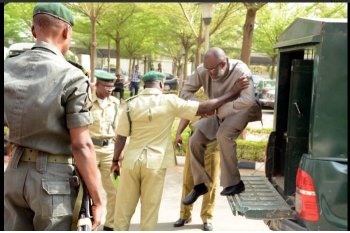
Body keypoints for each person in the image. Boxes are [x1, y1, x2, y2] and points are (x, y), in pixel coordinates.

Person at [4, 3, 102, 231]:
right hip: (53, 181)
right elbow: (82, 145)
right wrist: (98, 199)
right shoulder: (72, 76)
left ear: (33, 30)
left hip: (13, 176)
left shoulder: (7, 68)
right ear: (66, 32)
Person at [111, 71, 250, 231]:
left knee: (123, 210)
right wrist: (233, 92)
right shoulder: (169, 101)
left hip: (131, 162)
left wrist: (115, 161)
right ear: (162, 84)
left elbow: (121, 138)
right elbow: (205, 107)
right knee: (149, 211)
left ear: (144, 85)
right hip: (155, 165)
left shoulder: (130, 104)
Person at [180, 47, 261, 206]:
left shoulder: (241, 70)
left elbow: (248, 100)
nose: (209, 73)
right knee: (195, 139)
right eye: (207, 69)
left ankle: (234, 183)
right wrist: (204, 106)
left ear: (223, 64)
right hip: (217, 109)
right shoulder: (202, 70)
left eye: (213, 70)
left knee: (223, 135)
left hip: (241, 108)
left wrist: (217, 107)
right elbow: (184, 93)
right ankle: (200, 184)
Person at [173, 119, 220, 231]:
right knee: (188, 179)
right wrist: (179, 133)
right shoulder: (193, 101)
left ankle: (207, 217)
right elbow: (186, 115)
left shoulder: (220, 101)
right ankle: (185, 215)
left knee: (210, 182)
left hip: (213, 141)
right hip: (194, 140)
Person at [89, 70, 120, 231]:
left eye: (112, 87)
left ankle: (110, 225)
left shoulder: (115, 103)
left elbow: (117, 129)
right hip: (90, 150)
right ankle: (87, 222)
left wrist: (119, 154)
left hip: (109, 150)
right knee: (87, 188)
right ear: (97, 85)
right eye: (106, 86)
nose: (109, 90)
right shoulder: (87, 101)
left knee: (114, 189)